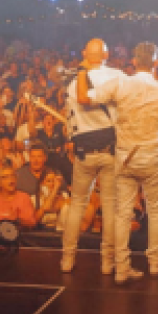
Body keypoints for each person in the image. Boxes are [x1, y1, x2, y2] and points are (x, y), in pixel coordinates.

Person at [77, 41, 158, 285]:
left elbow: (84, 98)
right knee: (156, 211)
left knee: (123, 213)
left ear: (135, 62)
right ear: (156, 63)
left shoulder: (120, 83)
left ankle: (121, 269)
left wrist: (82, 72)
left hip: (126, 156)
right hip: (151, 157)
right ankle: (155, 265)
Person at [61, 38, 121, 275]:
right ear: (106, 54)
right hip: (110, 150)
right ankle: (107, 262)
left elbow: (70, 121)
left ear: (85, 53)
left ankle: (68, 258)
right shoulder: (116, 76)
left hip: (84, 152)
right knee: (109, 207)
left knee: (77, 205)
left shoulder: (73, 83)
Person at [0, 165, 38, 233]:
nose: (11, 180)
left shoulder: (24, 198)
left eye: (13, 176)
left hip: (19, 240)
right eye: (5, 177)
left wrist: (17, 221)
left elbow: (31, 224)